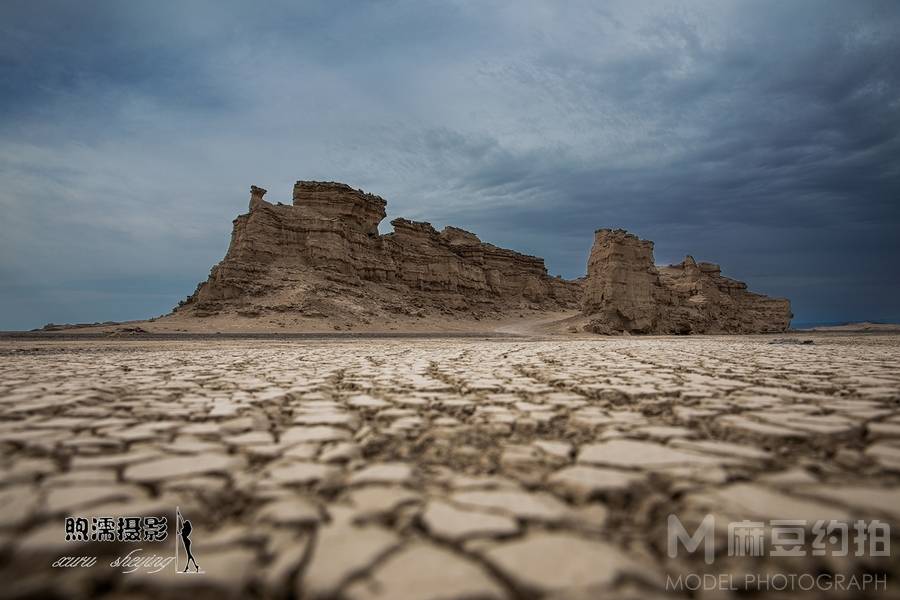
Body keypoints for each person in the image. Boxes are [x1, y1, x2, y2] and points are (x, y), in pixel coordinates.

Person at [176, 508, 200, 573]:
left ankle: (191, 567)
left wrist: (179, 533)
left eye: (185, 523)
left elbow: (183, 534)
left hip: (186, 541)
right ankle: (192, 567)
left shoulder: (186, 530)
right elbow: (182, 520)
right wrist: (179, 514)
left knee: (189, 555)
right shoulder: (185, 529)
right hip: (186, 540)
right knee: (189, 555)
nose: (183, 523)